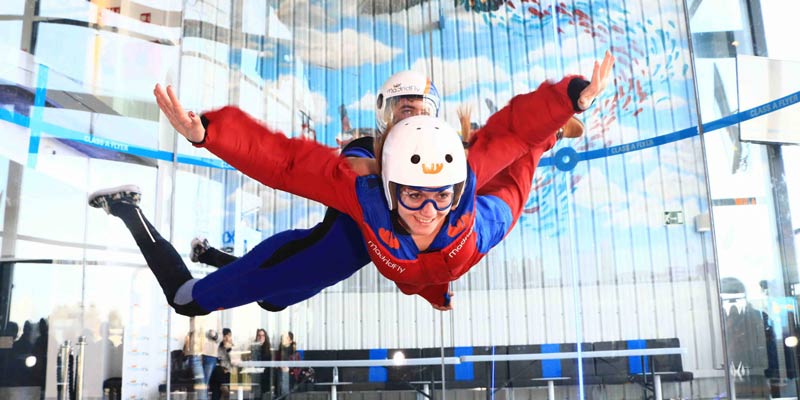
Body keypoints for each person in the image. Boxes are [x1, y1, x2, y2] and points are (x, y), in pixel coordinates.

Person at [148, 50, 612, 311]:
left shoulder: (460, 167)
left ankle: (549, 137)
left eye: (438, 196)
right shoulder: (362, 182)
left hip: (469, 236)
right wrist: (210, 133)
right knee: (286, 286)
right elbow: (287, 163)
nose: (428, 212)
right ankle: (221, 285)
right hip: (382, 244)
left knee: (515, 178)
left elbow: (510, 133)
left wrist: (569, 100)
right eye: (400, 110)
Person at [183, 317, 219, 400]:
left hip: (210, 355)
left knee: (204, 385)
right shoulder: (193, 313)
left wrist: (215, 335)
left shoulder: (214, 314)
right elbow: (189, 333)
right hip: (195, 354)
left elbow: (219, 337)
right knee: (201, 384)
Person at [249, 328, 273, 400]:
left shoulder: (268, 348)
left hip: (265, 377)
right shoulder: (254, 347)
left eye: (263, 335)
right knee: (256, 396)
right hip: (256, 376)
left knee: (265, 395)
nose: (261, 337)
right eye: (259, 335)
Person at [210, 328, 233, 400]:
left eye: (229, 335)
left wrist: (228, 349)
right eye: (224, 336)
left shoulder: (233, 348)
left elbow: (235, 362)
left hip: (227, 374)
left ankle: (224, 386)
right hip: (217, 373)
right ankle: (224, 386)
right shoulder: (217, 347)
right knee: (218, 370)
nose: (227, 338)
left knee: (216, 390)